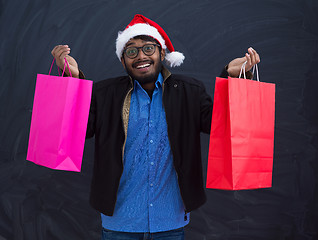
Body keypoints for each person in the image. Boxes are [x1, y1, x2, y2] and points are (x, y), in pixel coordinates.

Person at [51, 14, 260, 240]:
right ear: (123, 60)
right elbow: (79, 129)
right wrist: (70, 80)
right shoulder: (104, 94)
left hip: (169, 221)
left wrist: (235, 77)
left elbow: (220, 125)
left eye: (149, 48)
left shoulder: (190, 91)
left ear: (162, 53)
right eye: (131, 51)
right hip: (119, 222)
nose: (141, 56)